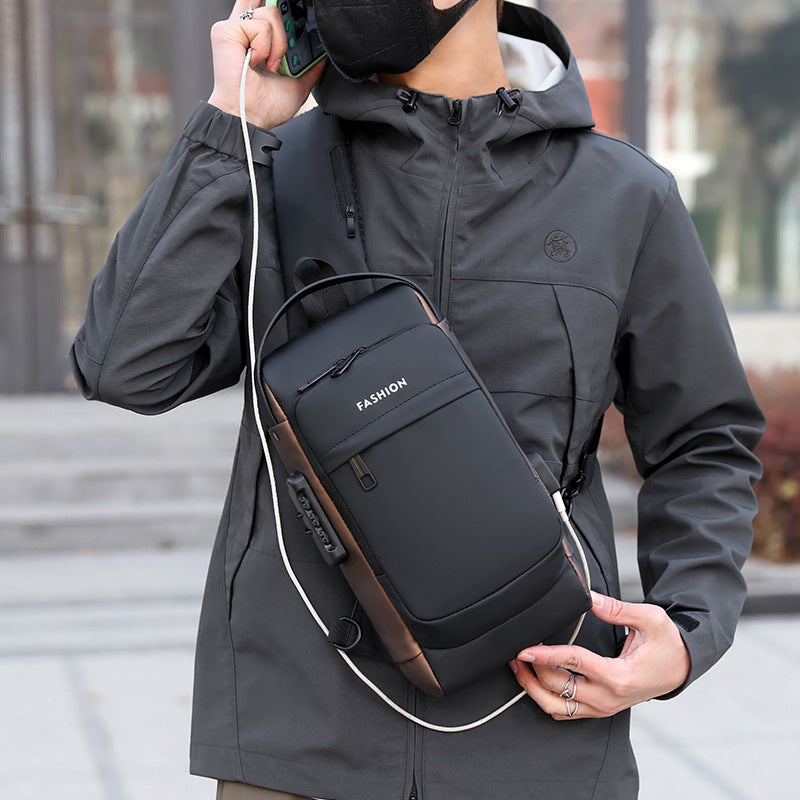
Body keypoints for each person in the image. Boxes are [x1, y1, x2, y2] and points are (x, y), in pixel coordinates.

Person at [69, 1, 765, 798]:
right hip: (298, 742)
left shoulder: (624, 195)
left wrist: (688, 629)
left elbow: (705, 440)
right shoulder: (271, 168)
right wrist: (233, 123)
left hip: (540, 735)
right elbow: (125, 366)